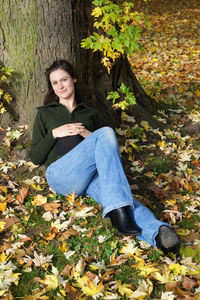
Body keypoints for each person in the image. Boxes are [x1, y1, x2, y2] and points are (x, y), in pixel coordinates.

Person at [30, 60, 180, 256]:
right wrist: (54, 134)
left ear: (74, 79)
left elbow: (106, 150)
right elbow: (34, 158)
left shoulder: (90, 113)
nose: (60, 86)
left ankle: (159, 234)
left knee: (120, 196)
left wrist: (88, 135)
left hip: (90, 177)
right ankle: (122, 215)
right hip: (61, 175)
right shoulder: (45, 114)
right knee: (107, 133)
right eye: (55, 83)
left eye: (64, 79)